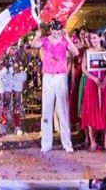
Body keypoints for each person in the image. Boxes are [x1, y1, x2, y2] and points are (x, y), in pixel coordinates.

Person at [29, 19, 78, 153]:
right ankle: (46, 143)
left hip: (61, 76)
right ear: (51, 30)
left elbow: (75, 52)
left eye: (58, 32)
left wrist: (67, 38)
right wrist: (37, 36)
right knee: (47, 109)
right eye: (54, 32)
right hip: (48, 77)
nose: (56, 34)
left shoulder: (64, 40)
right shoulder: (45, 40)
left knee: (63, 110)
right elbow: (34, 45)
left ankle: (67, 143)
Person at [81, 31, 106, 151]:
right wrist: (94, 78)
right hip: (92, 84)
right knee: (91, 112)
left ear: (100, 38)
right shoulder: (88, 52)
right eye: (91, 38)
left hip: (104, 84)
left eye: (94, 38)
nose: (92, 40)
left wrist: (105, 80)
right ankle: (93, 143)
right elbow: (83, 68)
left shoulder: (105, 52)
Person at [5, 41, 28, 135]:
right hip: (7, 78)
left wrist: (20, 68)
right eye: (12, 48)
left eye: (15, 48)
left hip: (18, 78)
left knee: (17, 101)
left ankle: (17, 125)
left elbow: (25, 64)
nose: (13, 50)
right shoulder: (5, 53)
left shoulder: (21, 51)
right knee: (6, 100)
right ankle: (3, 124)